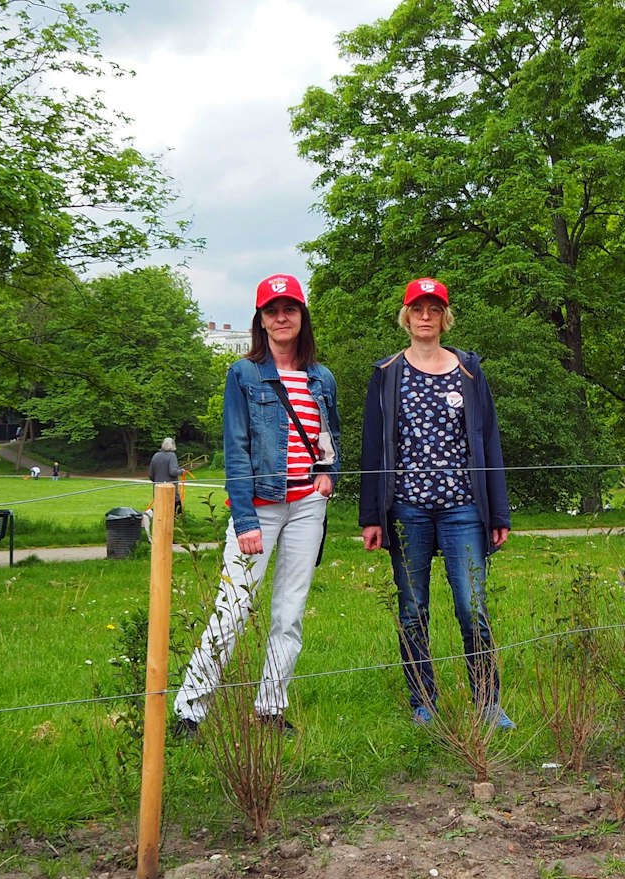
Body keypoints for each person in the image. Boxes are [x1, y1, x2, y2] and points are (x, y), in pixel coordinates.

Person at [173, 274, 341, 737]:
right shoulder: (243, 373)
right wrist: (245, 518)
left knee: (290, 610)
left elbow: (331, 437)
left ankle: (270, 707)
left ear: (302, 317)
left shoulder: (321, 377)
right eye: (272, 310)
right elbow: (237, 447)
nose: (281, 317)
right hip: (261, 507)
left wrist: (329, 474)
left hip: (308, 505)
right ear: (260, 320)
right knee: (232, 608)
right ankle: (190, 709)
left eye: (289, 309)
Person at [359, 277, 514, 729]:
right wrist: (371, 516)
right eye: (417, 309)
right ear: (405, 316)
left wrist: (498, 511)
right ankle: (423, 702)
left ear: (445, 317)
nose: (425, 316)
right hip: (407, 509)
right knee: (413, 609)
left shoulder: (468, 371)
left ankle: (487, 701)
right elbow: (373, 448)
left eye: (434, 309)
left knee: (473, 607)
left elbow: (489, 440)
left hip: (464, 507)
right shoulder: (387, 373)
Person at [148, 438, 183, 519]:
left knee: (160, 510)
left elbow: (150, 474)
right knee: (175, 511)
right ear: (173, 445)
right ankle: (175, 525)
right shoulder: (172, 455)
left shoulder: (156, 455)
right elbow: (173, 472)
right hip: (170, 490)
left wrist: (157, 481)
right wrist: (181, 471)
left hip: (157, 489)